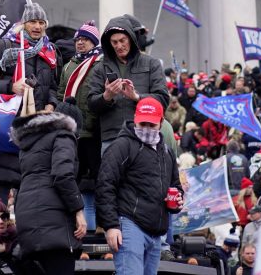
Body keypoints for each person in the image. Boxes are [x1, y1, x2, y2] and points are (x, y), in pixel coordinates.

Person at [0, 3, 61, 202]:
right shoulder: (4, 46)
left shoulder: (50, 51)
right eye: (33, 22)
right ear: (24, 24)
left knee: (31, 194)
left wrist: (51, 104)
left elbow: (55, 86)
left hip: (37, 130)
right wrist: (11, 86)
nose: (37, 26)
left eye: (41, 22)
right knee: (0, 199)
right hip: (8, 128)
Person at [95, 98, 182, 275]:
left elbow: (175, 185)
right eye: (143, 123)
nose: (147, 128)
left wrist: (178, 199)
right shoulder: (122, 145)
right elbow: (105, 185)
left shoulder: (167, 151)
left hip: (156, 232)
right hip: (129, 225)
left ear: (161, 122)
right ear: (135, 118)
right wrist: (111, 225)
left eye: (151, 124)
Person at [11, 111, 86, 274]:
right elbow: (62, 175)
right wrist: (79, 211)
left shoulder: (27, 144)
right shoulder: (64, 136)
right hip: (54, 222)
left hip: (27, 218)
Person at [87, 17, 169, 154]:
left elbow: (163, 99)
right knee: (111, 176)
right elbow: (91, 105)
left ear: (131, 38)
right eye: (114, 42)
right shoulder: (100, 69)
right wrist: (107, 96)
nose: (119, 46)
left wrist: (137, 97)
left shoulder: (151, 63)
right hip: (112, 137)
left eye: (122, 40)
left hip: (145, 135)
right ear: (109, 43)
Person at [56, 21, 103, 231]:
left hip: (93, 131)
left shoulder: (101, 64)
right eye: (78, 39)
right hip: (72, 132)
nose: (80, 43)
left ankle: (101, 224)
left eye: (84, 39)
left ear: (93, 42)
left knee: (99, 179)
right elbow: (60, 93)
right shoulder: (69, 65)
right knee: (73, 178)